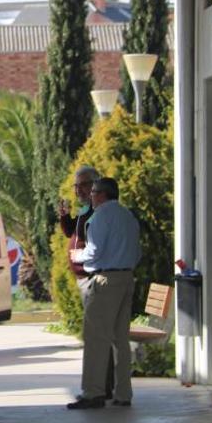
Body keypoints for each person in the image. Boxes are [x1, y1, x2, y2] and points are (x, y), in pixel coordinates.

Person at [67, 177, 141, 409]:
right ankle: (123, 393)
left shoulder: (100, 217)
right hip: (127, 278)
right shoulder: (128, 216)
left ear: (102, 194)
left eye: (94, 192)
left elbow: (94, 252)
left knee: (96, 338)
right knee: (121, 339)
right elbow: (137, 251)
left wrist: (77, 256)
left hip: (106, 280)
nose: (90, 196)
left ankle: (93, 392)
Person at [59, 166, 115, 400]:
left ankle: (100, 388)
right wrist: (64, 217)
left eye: (83, 185)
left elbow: (93, 246)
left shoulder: (99, 212)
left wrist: (80, 256)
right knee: (97, 335)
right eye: (76, 185)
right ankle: (101, 386)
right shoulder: (86, 210)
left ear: (95, 185)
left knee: (98, 336)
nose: (78, 190)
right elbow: (73, 231)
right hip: (85, 278)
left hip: (94, 278)